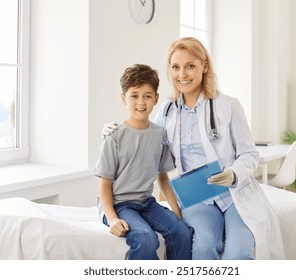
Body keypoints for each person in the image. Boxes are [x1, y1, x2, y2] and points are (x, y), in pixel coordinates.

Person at [102, 38, 285, 260]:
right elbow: (145, 139)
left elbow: (249, 154)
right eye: (176, 67)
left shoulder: (228, 106)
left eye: (190, 66)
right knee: (202, 249)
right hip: (197, 198)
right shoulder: (166, 112)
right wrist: (113, 131)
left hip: (234, 194)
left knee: (237, 254)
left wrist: (233, 173)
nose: (183, 74)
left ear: (204, 66)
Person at [94, 64, 193, 260]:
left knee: (182, 232)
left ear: (156, 98)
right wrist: (113, 219)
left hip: (146, 203)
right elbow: (104, 185)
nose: (141, 102)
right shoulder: (114, 136)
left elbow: (163, 179)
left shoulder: (159, 134)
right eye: (134, 95)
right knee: (146, 238)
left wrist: (177, 214)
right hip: (119, 204)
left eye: (147, 96)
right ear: (124, 98)